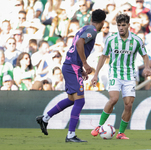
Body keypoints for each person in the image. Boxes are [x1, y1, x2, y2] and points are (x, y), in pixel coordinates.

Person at [36, 9, 106, 142]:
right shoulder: (92, 31)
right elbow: (80, 43)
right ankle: (71, 135)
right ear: (103, 22)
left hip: (70, 65)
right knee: (80, 100)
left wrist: (80, 68)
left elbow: (76, 44)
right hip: (72, 66)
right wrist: (84, 64)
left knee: (72, 99)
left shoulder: (85, 28)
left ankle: (45, 118)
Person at [91, 14, 151, 139]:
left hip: (129, 75)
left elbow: (145, 55)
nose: (121, 28)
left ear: (129, 26)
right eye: (119, 25)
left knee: (128, 104)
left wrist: (147, 67)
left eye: (123, 25)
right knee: (114, 99)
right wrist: (96, 74)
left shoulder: (136, 40)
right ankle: (99, 126)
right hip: (114, 73)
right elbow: (103, 56)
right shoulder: (111, 39)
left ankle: (121, 133)